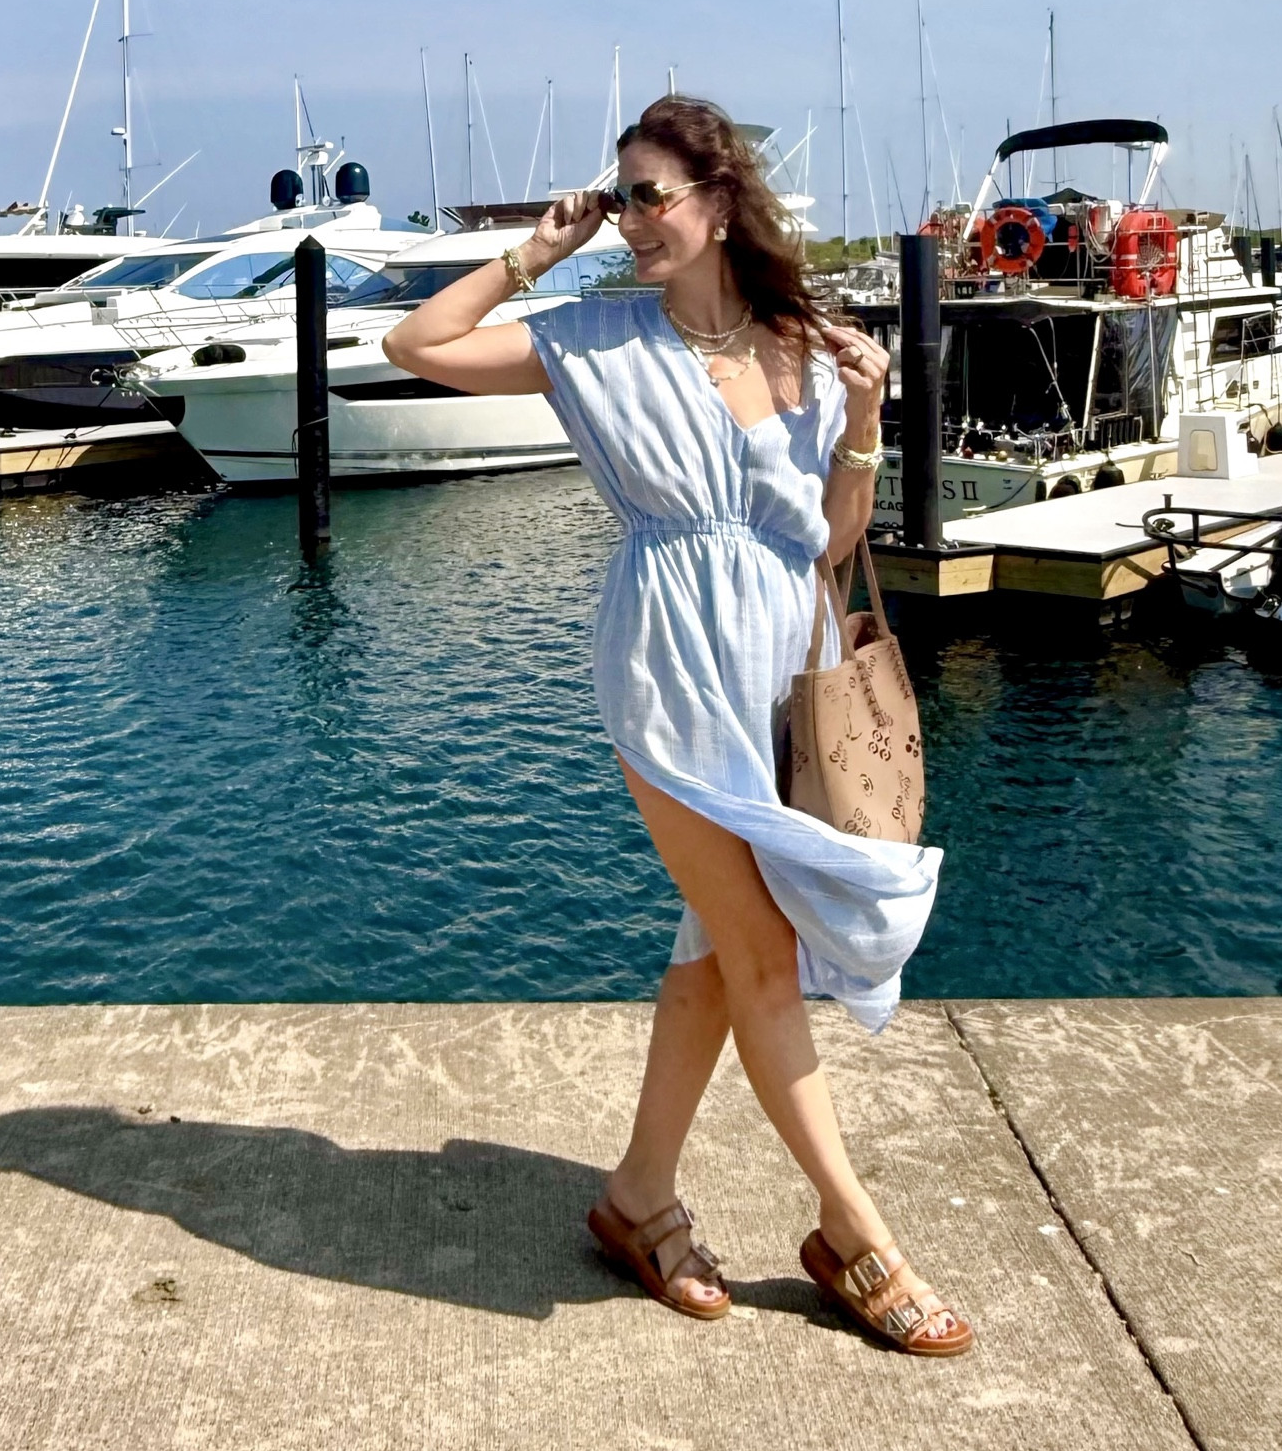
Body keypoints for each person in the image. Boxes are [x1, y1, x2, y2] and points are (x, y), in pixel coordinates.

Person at [382, 96, 971, 1357]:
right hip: (668, 674)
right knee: (762, 950)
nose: (632, 219)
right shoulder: (598, 339)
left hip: (785, 672)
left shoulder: (801, 342)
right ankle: (854, 1228)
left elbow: (831, 545)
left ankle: (637, 1195)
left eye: (650, 196)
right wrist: (537, 250)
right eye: (623, 198)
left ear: (718, 199)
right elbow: (417, 343)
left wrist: (866, 421)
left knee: (717, 950)